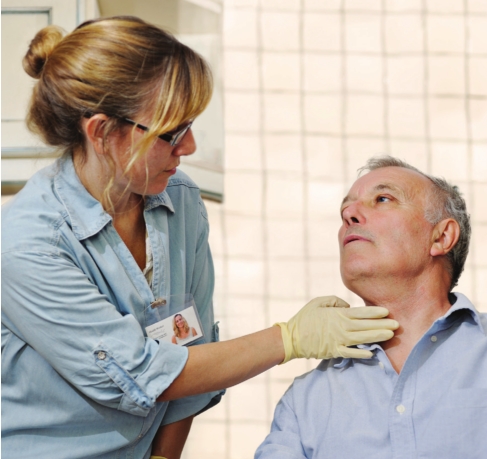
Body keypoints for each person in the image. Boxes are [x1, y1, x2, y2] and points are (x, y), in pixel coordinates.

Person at [1, 17, 399, 459]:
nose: (188, 146)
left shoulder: (179, 200)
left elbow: (192, 350)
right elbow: (141, 375)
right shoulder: (29, 243)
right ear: (101, 133)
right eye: (170, 132)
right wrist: (288, 339)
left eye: (191, 125)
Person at [256, 156, 487, 459]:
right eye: (344, 210)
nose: (349, 214)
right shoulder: (303, 402)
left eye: (383, 199)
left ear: (441, 237)